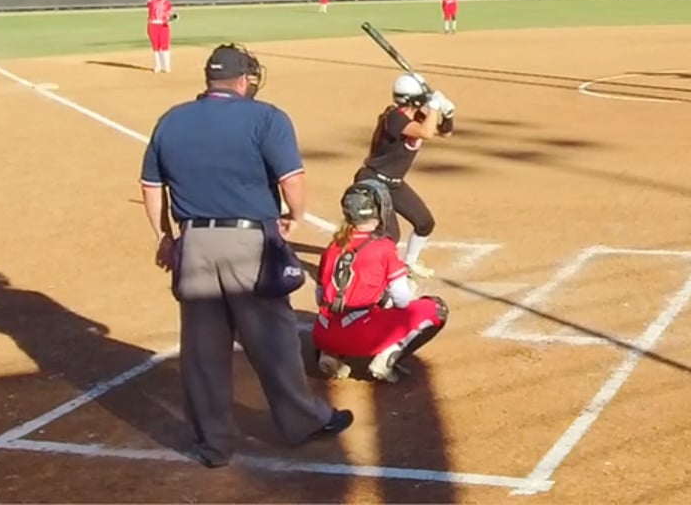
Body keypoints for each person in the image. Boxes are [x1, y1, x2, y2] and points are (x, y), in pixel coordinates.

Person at [138, 43, 352, 467]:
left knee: (202, 349)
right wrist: (295, 216)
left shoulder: (172, 119)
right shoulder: (266, 117)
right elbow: (292, 179)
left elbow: (150, 187)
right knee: (273, 337)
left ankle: (214, 444)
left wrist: (165, 237)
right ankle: (302, 421)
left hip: (195, 244)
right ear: (242, 80)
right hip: (248, 242)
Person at [313, 180, 450, 382]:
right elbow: (402, 300)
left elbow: (319, 297)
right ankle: (386, 359)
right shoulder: (383, 246)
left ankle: (329, 354)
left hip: (323, 333)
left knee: (350, 307)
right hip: (361, 335)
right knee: (437, 309)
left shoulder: (333, 246)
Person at [352, 74, 455, 279]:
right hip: (373, 181)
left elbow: (444, 132)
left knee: (424, 223)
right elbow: (426, 133)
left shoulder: (414, 115)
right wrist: (434, 106)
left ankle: (410, 263)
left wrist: (448, 114)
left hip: (394, 184)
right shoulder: (394, 118)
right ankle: (371, 272)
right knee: (390, 235)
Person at [144, 0, 176, 73]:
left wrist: (171, 17)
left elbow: (170, 12)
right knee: (156, 47)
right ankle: (158, 66)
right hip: (153, 25)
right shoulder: (152, 0)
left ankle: (167, 66)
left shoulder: (166, 2)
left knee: (165, 46)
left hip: (163, 25)